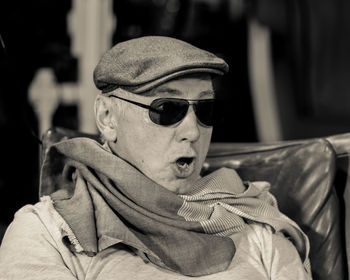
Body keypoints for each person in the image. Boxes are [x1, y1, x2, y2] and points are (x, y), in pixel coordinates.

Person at [0, 36, 312, 279]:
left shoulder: (257, 225)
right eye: (166, 109)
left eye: (205, 110)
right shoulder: (50, 234)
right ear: (107, 117)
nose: (192, 130)